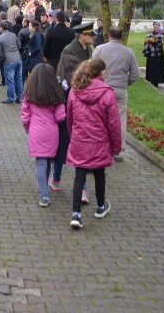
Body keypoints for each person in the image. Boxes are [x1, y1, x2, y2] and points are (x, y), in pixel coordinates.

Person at [66, 58, 122, 230]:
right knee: (99, 173)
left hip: (80, 140)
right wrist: (116, 147)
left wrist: (73, 136)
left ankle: (76, 214)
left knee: (79, 174)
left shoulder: (74, 91)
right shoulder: (107, 93)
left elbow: (70, 118)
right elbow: (113, 124)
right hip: (100, 141)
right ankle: (100, 206)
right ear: (100, 73)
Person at [21, 63, 67, 208]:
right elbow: (60, 117)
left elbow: (25, 116)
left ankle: (44, 195)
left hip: (36, 130)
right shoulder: (56, 94)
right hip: (52, 131)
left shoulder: (30, 94)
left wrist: (28, 129)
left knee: (41, 161)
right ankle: (45, 184)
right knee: (48, 160)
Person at [91, 27, 139, 159]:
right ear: (121, 37)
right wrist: (125, 82)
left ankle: (101, 147)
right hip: (119, 90)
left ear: (109, 35)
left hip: (102, 89)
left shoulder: (99, 49)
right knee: (120, 119)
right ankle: (119, 150)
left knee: (100, 118)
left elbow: (91, 68)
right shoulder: (128, 52)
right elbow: (135, 73)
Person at [50, 55, 80, 195]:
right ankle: (83, 189)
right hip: (77, 122)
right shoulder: (80, 83)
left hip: (61, 123)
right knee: (79, 157)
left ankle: (56, 180)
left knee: (59, 153)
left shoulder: (58, 83)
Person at [0, 21, 23, 104]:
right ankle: (20, 97)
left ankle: (10, 99)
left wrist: (2, 58)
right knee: (18, 79)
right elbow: (19, 46)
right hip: (18, 59)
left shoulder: (0, 38)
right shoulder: (14, 35)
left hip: (9, 60)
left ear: (1, 28)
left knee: (10, 81)